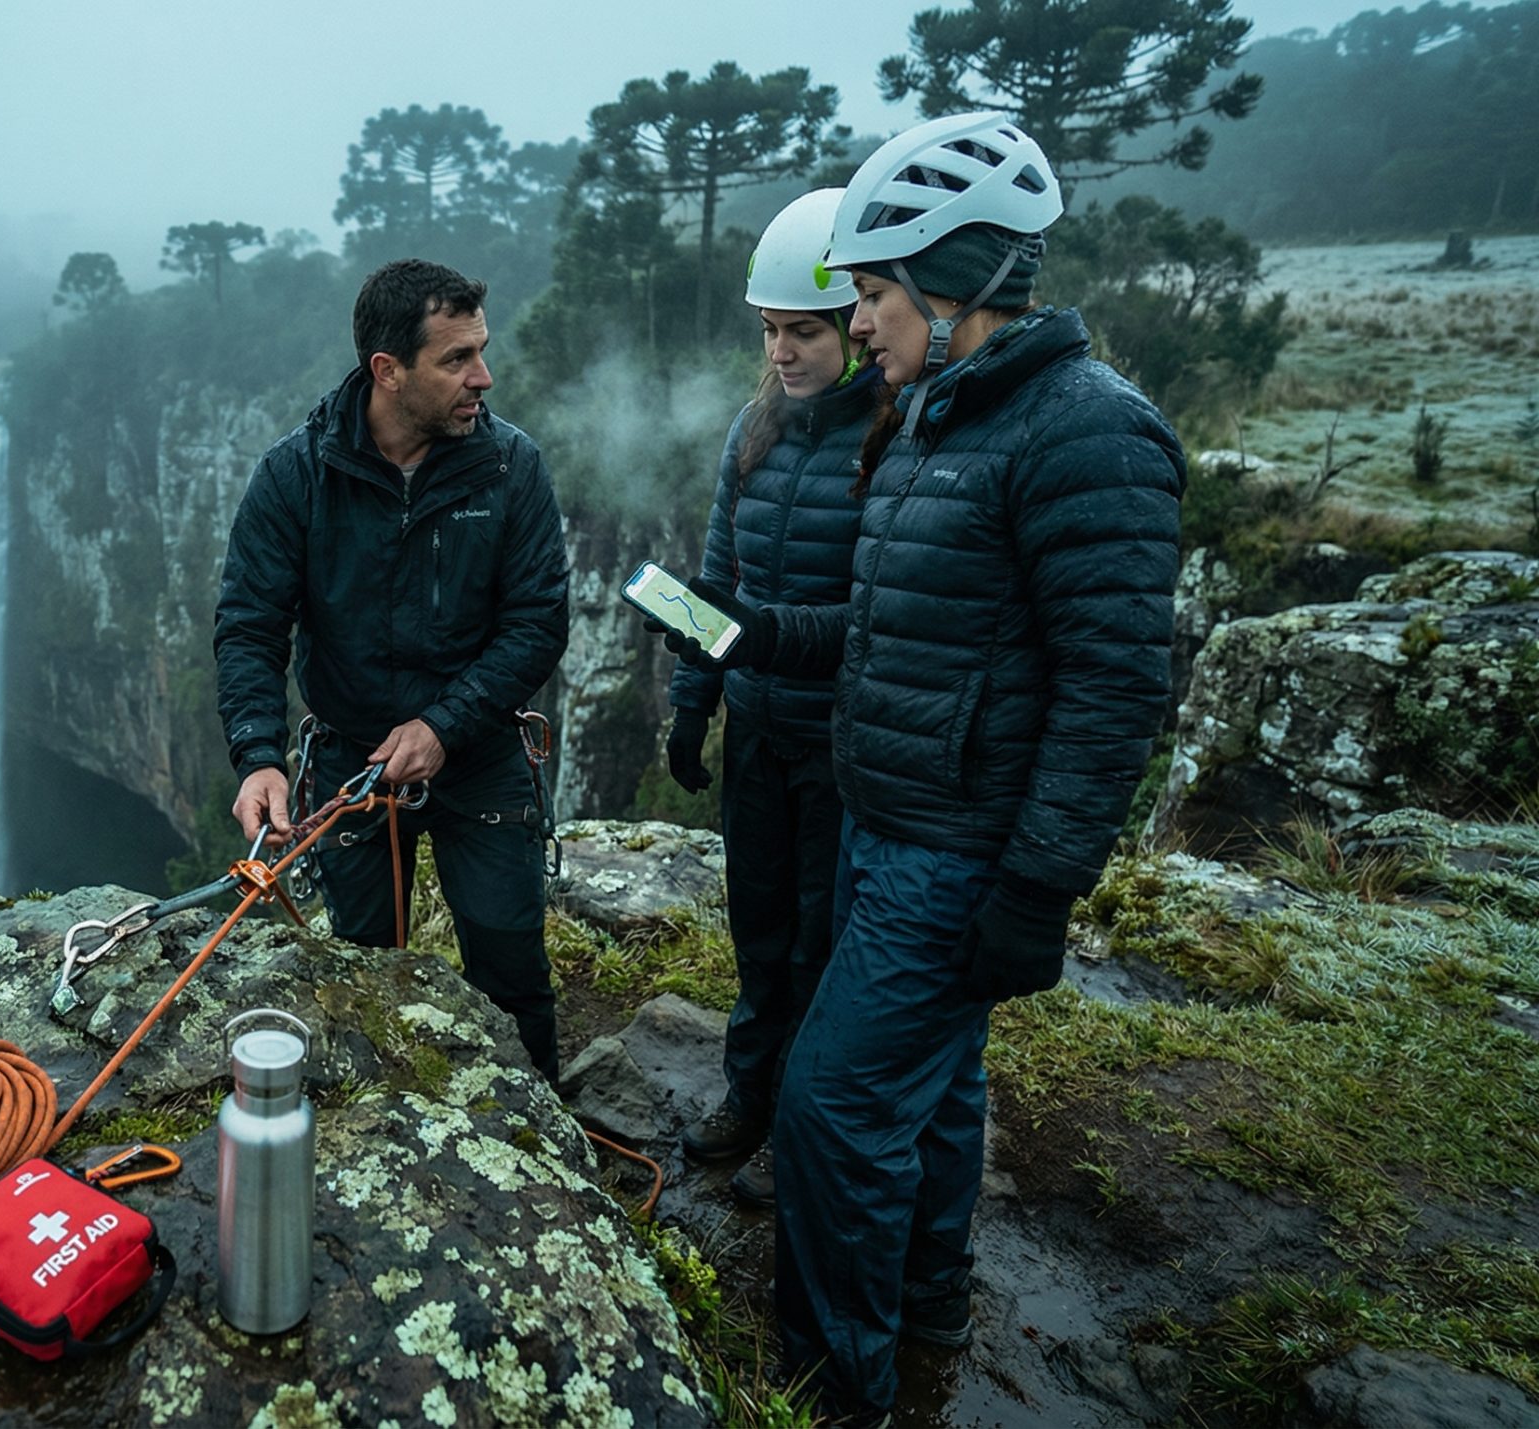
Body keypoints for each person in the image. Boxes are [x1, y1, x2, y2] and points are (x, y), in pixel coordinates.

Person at [668, 112, 1184, 1425]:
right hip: (884, 817)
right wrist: (738, 642)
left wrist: (1041, 885)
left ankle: (834, 1384)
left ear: (954, 287)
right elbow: (883, 629)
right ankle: (932, 1310)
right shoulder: (933, 425)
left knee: (835, 1110)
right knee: (939, 1084)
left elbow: (1115, 684)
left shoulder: (1088, 431)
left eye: (875, 294)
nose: (859, 323)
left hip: (952, 849)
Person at [213, 258, 572, 1081]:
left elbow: (536, 624)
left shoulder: (512, 468)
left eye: (481, 350)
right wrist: (258, 754)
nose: (484, 376)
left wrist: (444, 724)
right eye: (456, 359)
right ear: (388, 370)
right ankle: (382, 1119)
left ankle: (542, 1136)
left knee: (511, 961)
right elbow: (250, 626)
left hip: (480, 754)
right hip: (351, 758)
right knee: (363, 966)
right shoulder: (295, 476)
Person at [662, 188, 883, 1208]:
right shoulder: (752, 430)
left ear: (853, 325)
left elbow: (886, 611)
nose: (783, 351)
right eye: (770, 331)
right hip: (755, 728)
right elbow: (719, 574)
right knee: (757, 927)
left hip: (838, 747)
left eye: (803, 331)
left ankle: (800, 1124)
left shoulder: (898, 437)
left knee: (818, 939)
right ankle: (749, 1095)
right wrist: (691, 700)